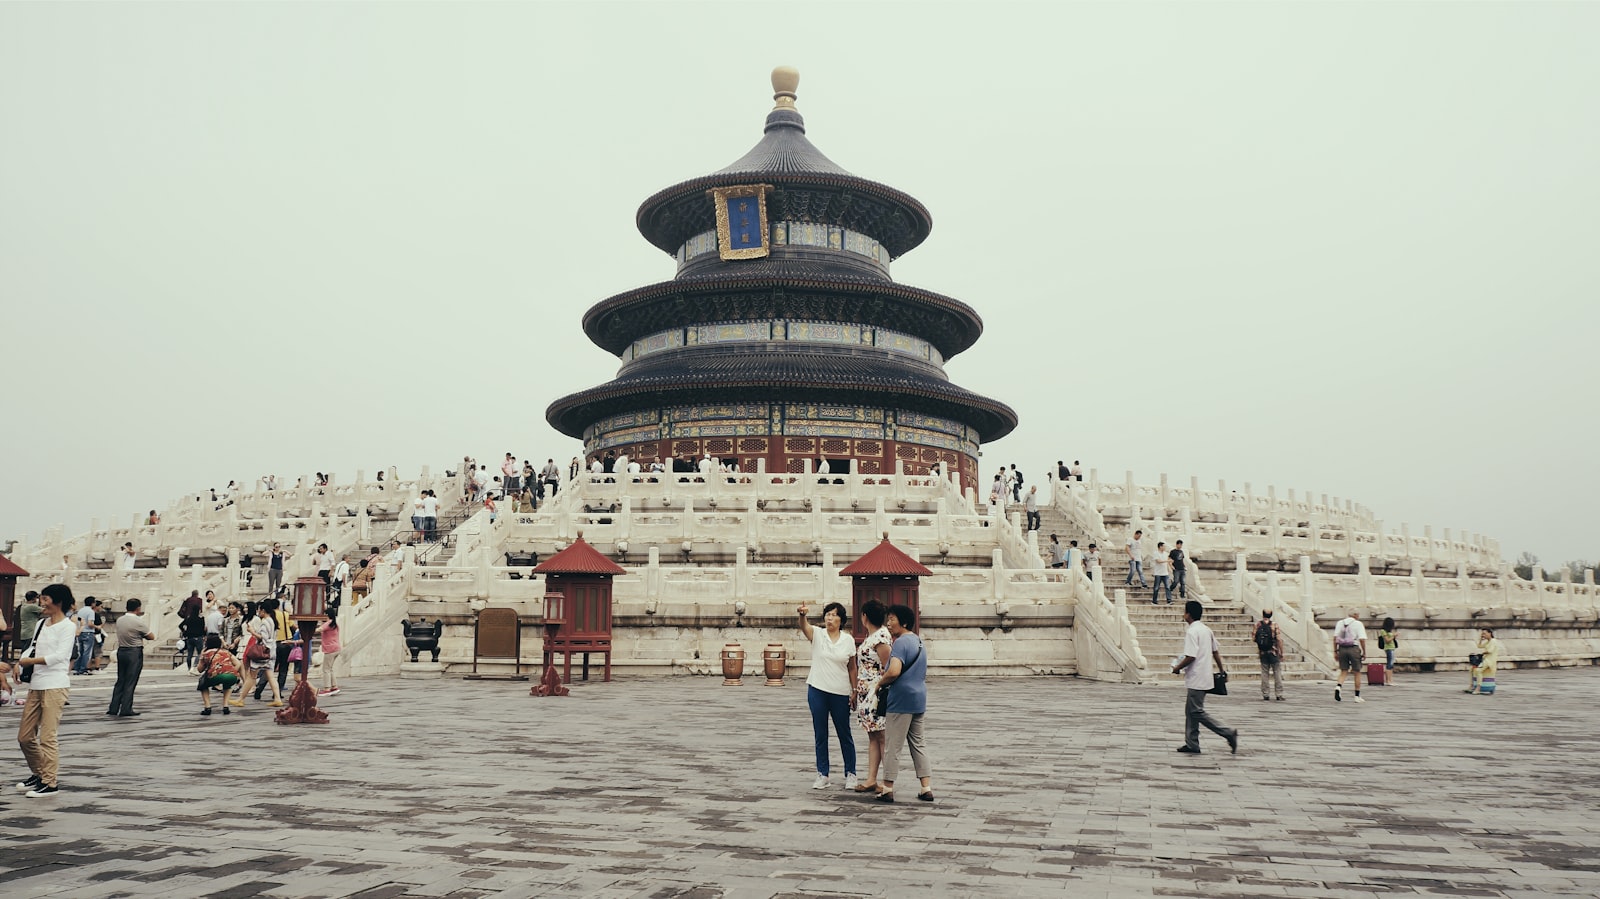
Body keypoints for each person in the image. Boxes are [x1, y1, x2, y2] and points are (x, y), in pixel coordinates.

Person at [16, 583, 77, 796]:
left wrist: (32, 661)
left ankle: (50, 783)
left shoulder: (68, 626)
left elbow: (61, 656)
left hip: (55, 684)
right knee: (25, 736)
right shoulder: (42, 623)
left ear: (58, 601)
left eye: (46, 599)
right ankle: (40, 772)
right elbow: (32, 646)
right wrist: (21, 661)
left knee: (48, 737)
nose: (42, 603)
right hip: (37, 683)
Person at [797, 601, 857, 791]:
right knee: (820, 733)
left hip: (840, 691)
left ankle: (851, 773)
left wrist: (854, 690)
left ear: (841, 619)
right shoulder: (818, 634)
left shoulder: (848, 640)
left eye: (834, 615)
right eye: (827, 614)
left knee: (844, 733)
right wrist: (802, 615)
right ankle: (823, 773)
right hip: (818, 689)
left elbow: (852, 667)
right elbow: (804, 627)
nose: (830, 618)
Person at [875, 604, 931, 803]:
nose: (888, 623)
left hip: (901, 699)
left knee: (893, 745)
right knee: (919, 744)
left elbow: (894, 671)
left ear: (904, 622)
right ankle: (926, 787)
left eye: (892, 619)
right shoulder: (919, 642)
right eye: (888, 619)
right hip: (919, 698)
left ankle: (887, 787)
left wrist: (879, 683)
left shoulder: (899, 643)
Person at [1172, 599, 1238, 755]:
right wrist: (1222, 670)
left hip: (1196, 677)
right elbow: (1215, 652)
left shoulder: (1192, 632)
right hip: (1205, 676)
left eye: (1185, 611)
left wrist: (1177, 667)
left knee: (1196, 711)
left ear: (1188, 614)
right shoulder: (1206, 630)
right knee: (1190, 711)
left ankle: (1228, 732)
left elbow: (1190, 656)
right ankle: (1192, 743)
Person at [851, 600, 893, 794]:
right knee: (873, 736)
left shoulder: (881, 638)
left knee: (882, 736)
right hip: (866, 693)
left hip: (876, 692)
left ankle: (887, 781)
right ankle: (871, 778)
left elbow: (888, 666)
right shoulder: (873, 636)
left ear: (864, 616)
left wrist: (879, 687)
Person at [106, 597, 153, 717]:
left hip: (121, 651)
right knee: (130, 681)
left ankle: (114, 707)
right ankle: (126, 708)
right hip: (134, 652)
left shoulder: (120, 620)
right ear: (138, 608)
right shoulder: (138, 621)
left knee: (120, 680)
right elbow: (151, 636)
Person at [237, 602, 283, 708]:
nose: (258, 612)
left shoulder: (265, 622)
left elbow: (262, 637)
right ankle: (277, 698)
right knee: (271, 676)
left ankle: (241, 699)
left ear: (263, 610)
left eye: (259, 610)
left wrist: (252, 631)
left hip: (262, 652)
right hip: (271, 650)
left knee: (252, 675)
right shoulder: (272, 621)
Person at [195, 634, 241, 716]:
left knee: (203, 685)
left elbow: (199, 669)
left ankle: (207, 707)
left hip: (215, 675)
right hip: (231, 676)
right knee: (227, 685)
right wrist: (232, 671)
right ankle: (226, 706)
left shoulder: (206, 653)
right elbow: (238, 663)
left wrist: (201, 657)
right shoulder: (226, 652)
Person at [1332, 609, 1367, 702]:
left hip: (1342, 648)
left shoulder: (1340, 623)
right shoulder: (1358, 624)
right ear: (1355, 615)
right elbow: (1362, 639)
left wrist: (1335, 651)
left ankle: (1338, 686)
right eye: (1358, 614)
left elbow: (1335, 638)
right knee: (1357, 671)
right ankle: (1357, 696)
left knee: (1344, 670)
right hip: (1353, 648)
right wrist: (1364, 651)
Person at [1254, 609, 1284, 701]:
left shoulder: (1257, 625)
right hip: (1273, 652)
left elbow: (1254, 638)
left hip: (1263, 652)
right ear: (1271, 615)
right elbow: (1279, 639)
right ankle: (1279, 694)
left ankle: (1266, 694)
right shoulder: (1274, 625)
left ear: (1263, 614)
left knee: (1264, 673)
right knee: (1277, 673)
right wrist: (1281, 652)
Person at [1467, 627, 1502, 694]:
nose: (1483, 635)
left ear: (1490, 633)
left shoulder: (1493, 641)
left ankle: (1478, 688)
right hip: (1485, 659)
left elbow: (1490, 650)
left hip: (1490, 661)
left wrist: (1482, 653)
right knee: (1471, 669)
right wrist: (1481, 639)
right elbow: (1479, 646)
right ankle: (1471, 685)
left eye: (1485, 634)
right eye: (1482, 634)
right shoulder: (1488, 641)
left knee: (1478, 670)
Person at [71, 597, 99, 676]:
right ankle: (83, 669)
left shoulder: (80, 611)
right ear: (92, 603)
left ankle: (77, 668)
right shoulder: (90, 611)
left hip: (80, 632)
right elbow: (90, 624)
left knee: (80, 652)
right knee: (87, 653)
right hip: (88, 633)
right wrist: (97, 627)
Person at [178, 601, 206, 674]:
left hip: (189, 638)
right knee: (200, 653)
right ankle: (194, 666)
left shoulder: (188, 618)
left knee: (189, 654)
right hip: (198, 637)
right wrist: (204, 635)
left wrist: (184, 631)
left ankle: (189, 668)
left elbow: (180, 625)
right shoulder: (201, 619)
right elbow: (203, 628)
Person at [318, 613, 342, 696]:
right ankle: (334, 686)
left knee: (326, 669)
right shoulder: (335, 624)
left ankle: (327, 688)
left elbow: (319, 629)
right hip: (336, 648)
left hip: (330, 649)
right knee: (330, 668)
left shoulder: (328, 623)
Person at [14, 591, 41, 658]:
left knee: (25, 650)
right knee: (28, 652)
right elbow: (45, 611)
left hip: (25, 632)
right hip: (30, 632)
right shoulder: (31, 606)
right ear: (34, 598)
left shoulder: (24, 606)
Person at [1378, 617, 1399, 685]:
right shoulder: (1383, 631)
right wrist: (1393, 636)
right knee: (1389, 664)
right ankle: (1388, 680)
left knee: (1391, 664)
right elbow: (1387, 640)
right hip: (1388, 648)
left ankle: (1390, 679)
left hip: (1392, 648)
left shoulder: (1389, 631)